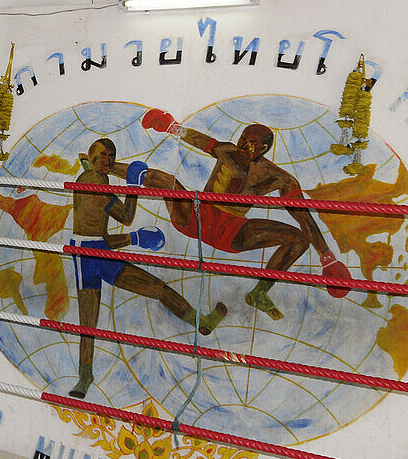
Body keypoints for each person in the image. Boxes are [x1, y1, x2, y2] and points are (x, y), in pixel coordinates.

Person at [137, 110, 351, 320]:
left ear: (263, 148)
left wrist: (327, 258)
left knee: (299, 239)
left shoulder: (277, 177)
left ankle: (260, 292)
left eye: (251, 142)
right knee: (166, 182)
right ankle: (118, 174)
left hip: (231, 231)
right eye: (242, 138)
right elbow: (199, 140)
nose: (243, 145)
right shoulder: (226, 151)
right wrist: (170, 127)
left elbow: (302, 215)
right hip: (197, 217)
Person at [68, 138, 226, 398]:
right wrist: (132, 185)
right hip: (87, 256)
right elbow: (126, 217)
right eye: (104, 155)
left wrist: (135, 239)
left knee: (155, 289)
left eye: (112, 155)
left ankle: (201, 321)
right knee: (89, 322)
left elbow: (101, 237)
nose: (108, 160)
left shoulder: (90, 176)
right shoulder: (96, 182)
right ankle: (85, 376)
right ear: (94, 156)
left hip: (97, 251)